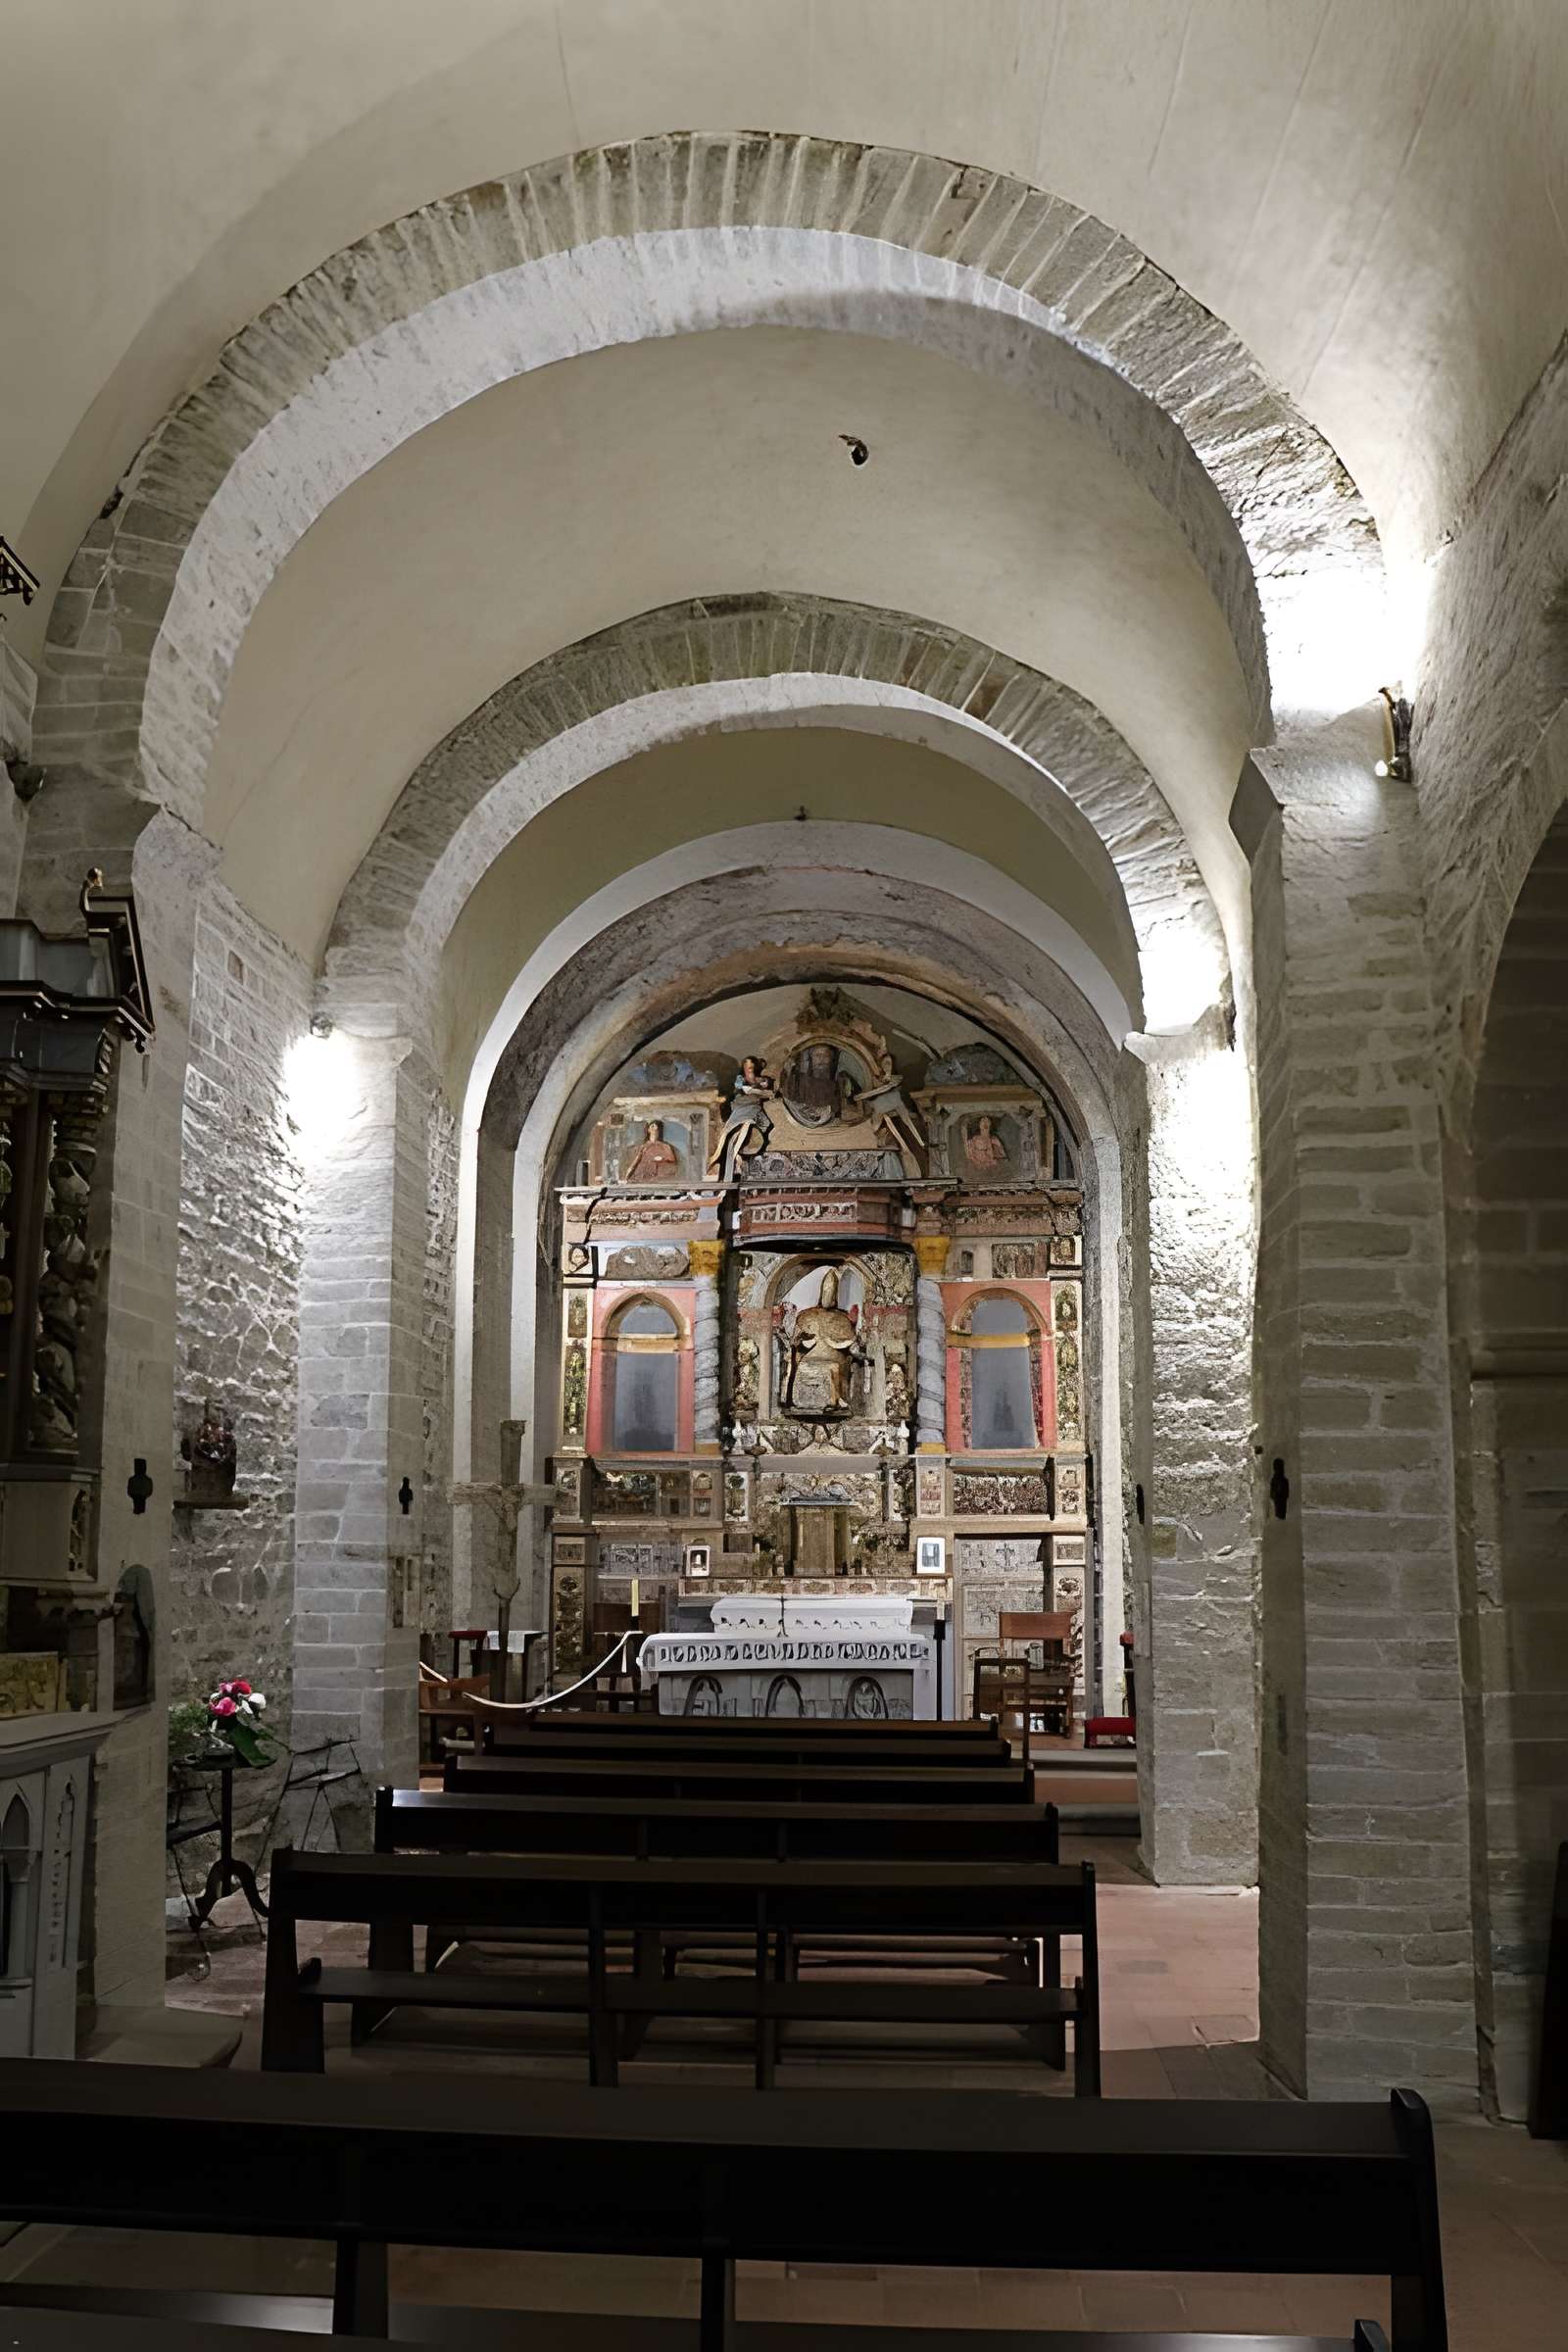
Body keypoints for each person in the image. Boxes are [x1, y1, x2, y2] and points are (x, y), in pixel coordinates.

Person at [708, 1057, 774, 1179]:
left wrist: (758, 1091)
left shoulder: (762, 1080)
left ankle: (731, 1157)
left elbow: (769, 1093)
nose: (748, 1069)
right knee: (727, 1134)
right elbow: (739, 1089)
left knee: (746, 1125)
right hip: (740, 1107)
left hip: (753, 1108)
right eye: (746, 1066)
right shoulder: (740, 1079)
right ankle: (720, 1159)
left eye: (750, 1066)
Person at [622, 1118, 680, 1182]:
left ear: (660, 1130)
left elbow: (673, 1160)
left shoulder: (666, 1146)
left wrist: (662, 1158)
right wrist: (626, 1178)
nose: (655, 1128)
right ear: (648, 1130)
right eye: (652, 1126)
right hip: (643, 1179)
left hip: (660, 1180)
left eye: (657, 1126)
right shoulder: (644, 1147)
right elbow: (634, 1163)